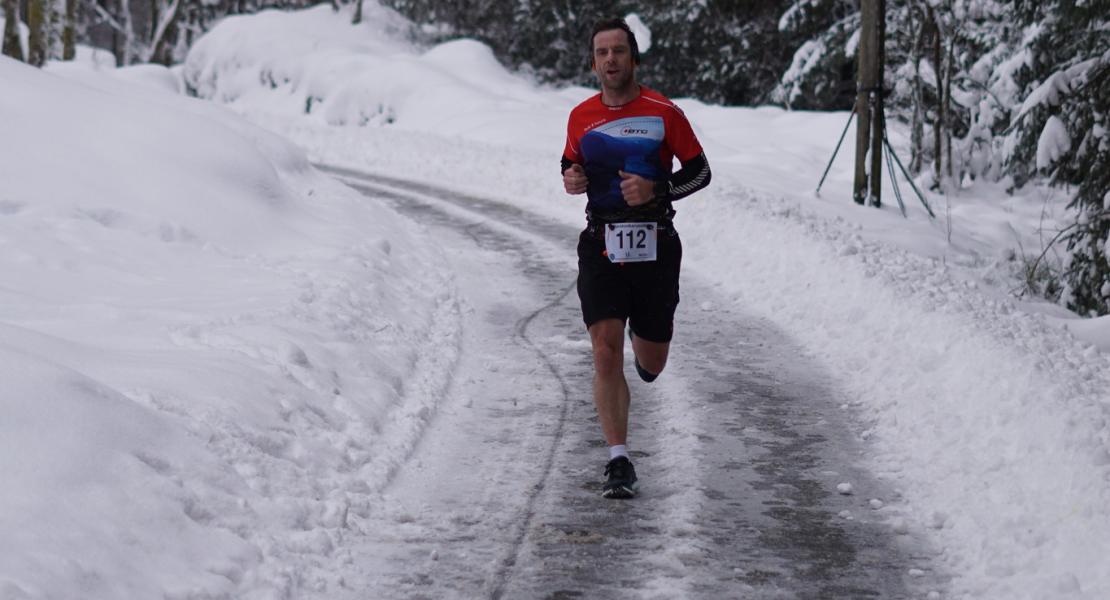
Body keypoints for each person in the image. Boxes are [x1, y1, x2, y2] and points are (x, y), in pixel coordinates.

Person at [561, 17, 711, 499]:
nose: (610, 60)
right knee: (604, 350)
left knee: (652, 361)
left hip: (656, 245)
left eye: (619, 51)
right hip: (601, 243)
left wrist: (656, 189)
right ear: (593, 63)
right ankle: (618, 460)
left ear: (634, 58)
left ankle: (644, 343)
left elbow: (700, 173)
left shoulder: (663, 112)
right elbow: (570, 161)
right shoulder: (581, 116)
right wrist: (572, 178)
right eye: (602, 52)